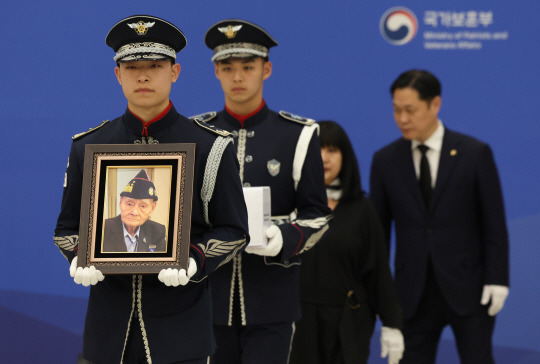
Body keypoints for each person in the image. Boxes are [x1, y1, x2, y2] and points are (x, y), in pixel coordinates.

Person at [53, 15, 249, 364]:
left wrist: (195, 259)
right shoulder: (88, 146)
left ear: (174, 72)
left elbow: (234, 230)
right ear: (118, 75)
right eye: (131, 67)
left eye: (155, 65)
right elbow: (66, 229)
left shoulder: (210, 146)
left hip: (181, 333)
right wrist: (80, 255)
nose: (143, 75)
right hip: (107, 333)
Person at [195, 19, 331, 364]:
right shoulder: (197, 134)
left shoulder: (298, 134)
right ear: (216, 72)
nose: (238, 77)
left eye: (248, 67)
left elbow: (318, 216)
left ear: (266, 69)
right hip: (206, 296)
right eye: (228, 67)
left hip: (272, 298)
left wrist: (282, 236)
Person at [369, 69, 509, 364]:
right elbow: (378, 233)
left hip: (469, 289)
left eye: (410, 110)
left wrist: (498, 279)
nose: (402, 119)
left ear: (435, 105)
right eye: (396, 110)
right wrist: (381, 293)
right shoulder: (385, 161)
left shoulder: (474, 153)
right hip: (412, 294)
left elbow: (494, 224)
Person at [289, 120, 404, 364]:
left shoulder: (363, 210)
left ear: (345, 157)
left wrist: (393, 325)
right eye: (317, 149)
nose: (324, 158)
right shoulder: (289, 205)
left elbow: (379, 272)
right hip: (298, 323)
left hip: (348, 322)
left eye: (332, 150)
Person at [102, 169, 166, 253]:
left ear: (152, 208)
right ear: (120, 202)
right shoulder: (102, 229)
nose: (134, 212)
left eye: (143, 206)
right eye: (129, 204)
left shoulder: (157, 232)